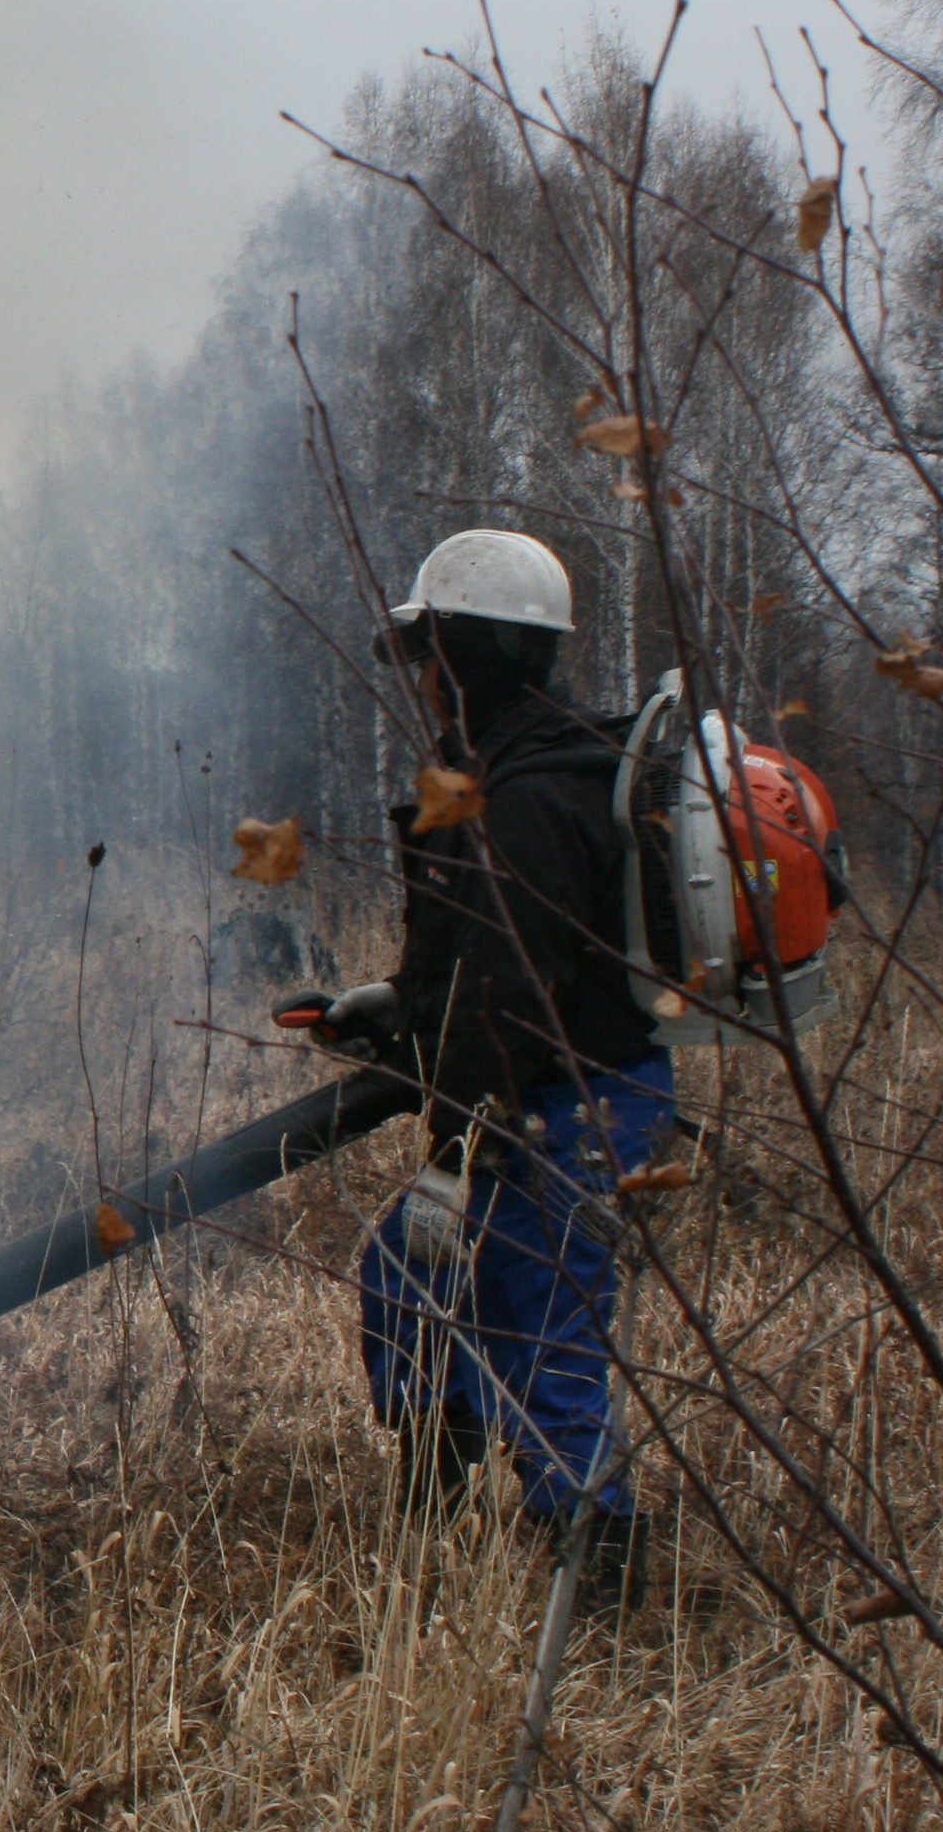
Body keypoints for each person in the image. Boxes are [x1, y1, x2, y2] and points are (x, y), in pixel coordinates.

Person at [274, 530, 670, 1594]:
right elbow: (480, 962)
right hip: (534, 1095)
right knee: (406, 1274)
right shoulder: (505, 772)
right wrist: (391, 1007)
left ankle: (601, 1577)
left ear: (465, 650)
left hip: (567, 1107)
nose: (423, 676)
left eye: (431, 649)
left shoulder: (531, 798)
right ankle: (433, 1501)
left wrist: (455, 1151)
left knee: (547, 1335)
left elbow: (512, 997)